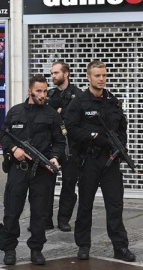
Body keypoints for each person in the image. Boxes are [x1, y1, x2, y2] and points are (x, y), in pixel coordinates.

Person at [64, 60, 135, 262]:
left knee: (115, 205)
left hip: (111, 162)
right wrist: (93, 136)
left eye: (104, 75)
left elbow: (122, 127)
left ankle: (120, 247)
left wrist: (120, 145)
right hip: (89, 160)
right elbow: (70, 128)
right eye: (97, 75)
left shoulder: (112, 100)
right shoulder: (79, 102)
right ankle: (83, 245)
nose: (102, 79)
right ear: (89, 77)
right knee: (85, 204)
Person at [0, 75, 66, 266]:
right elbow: (4, 135)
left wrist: (54, 157)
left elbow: (60, 141)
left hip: (41, 171)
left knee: (40, 212)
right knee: (12, 210)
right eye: (38, 91)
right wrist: (14, 149)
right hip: (18, 169)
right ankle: (9, 249)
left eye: (45, 91)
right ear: (30, 91)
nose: (42, 95)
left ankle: (36, 249)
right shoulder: (15, 112)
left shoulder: (52, 114)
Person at [46, 62, 82, 232]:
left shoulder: (78, 95)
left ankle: (63, 219)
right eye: (52, 73)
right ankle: (45, 219)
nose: (53, 76)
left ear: (66, 74)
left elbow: (77, 121)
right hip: (51, 145)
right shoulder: (50, 95)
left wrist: (61, 115)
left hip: (71, 146)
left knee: (69, 183)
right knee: (46, 183)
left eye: (56, 73)